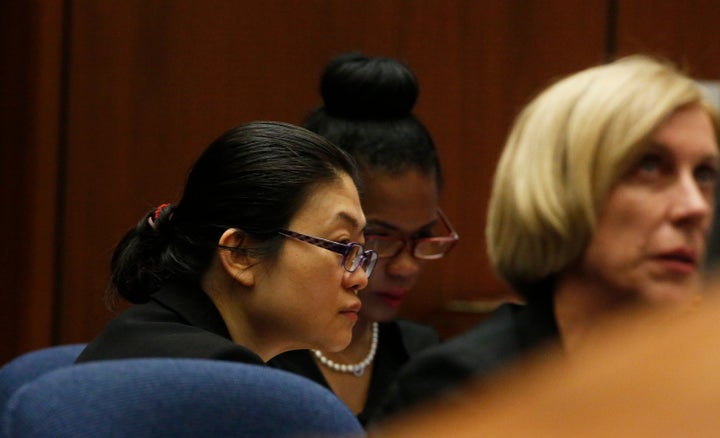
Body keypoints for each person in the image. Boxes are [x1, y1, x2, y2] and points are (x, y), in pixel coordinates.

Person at [371, 54, 720, 421]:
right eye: (650, 166)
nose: (694, 207)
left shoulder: (699, 385)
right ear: (561, 186)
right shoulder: (469, 387)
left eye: (705, 175)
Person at [77, 121, 378, 365]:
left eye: (360, 252)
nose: (360, 278)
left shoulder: (157, 339)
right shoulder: (215, 378)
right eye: (341, 245)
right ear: (240, 253)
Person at [268, 52, 458, 425]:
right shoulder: (251, 355)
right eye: (379, 238)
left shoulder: (425, 358)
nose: (406, 267)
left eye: (422, 237)